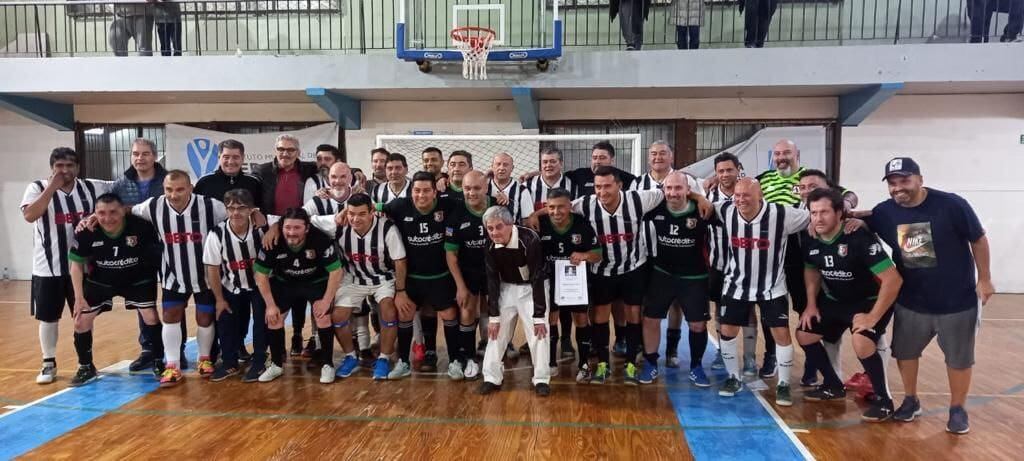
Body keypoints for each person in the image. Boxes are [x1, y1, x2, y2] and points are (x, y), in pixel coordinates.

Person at [861, 157, 992, 434]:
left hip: (957, 301)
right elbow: (863, 219)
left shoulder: (951, 205)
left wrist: (985, 278)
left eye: (905, 181)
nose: (899, 188)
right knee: (905, 354)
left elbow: (978, 238)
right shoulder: (884, 213)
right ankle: (911, 400)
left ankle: (957, 409)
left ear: (920, 179)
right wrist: (850, 219)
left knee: (959, 359)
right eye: (893, 183)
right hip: (912, 301)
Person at [798, 188, 902, 421]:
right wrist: (811, 304)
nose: (818, 218)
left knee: (861, 341)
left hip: (868, 302)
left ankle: (884, 401)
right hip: (835, 301)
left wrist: (873, 316)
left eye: (824, 212)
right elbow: (811, 269)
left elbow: (893, 280)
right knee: (805, 334)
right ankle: (834, 386)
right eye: (814, 213)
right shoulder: (811, 238)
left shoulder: (858, 238)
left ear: (839, 213)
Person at [714, 178, 809, 407]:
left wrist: (852, 218)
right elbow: (699, 200)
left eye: (746, 195)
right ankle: (733, 378)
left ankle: (784, 384)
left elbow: (816, 216)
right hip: (736, 285)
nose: (740, 199)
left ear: (760, 196)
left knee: (781, 334)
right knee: (726, 331)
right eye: (737, 195)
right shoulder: (725, 209)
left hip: (772, 287)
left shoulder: (782, 214)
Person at [570, 166, 664, 384]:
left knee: (633, 315)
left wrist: (701, 196)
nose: (602, 192)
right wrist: (534, 216)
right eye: (598, 187)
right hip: (602, 271)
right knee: (599, 317)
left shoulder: (639, 199)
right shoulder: (586, 204)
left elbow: (671, 190)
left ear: (619, 186)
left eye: (607, 186)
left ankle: (631, 364)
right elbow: (559, 207)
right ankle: (603, 365)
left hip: (633, 268)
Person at [21, 147, 107, 384]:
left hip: (82, 267)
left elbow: (120, 192)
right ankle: (48, 362)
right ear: (52, 168)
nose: (65, 171)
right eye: (59, 166)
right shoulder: (37, 188)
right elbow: (30, 216)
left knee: (83, 315)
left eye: (70, 166)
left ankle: (85, 363)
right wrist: (52, 188)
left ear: (77, 168)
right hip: (48, 267)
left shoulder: (92, 187)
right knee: (48, 317)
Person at [67, 194, 161, 386]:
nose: (107, 218)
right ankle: (86, 366)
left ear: (123, 211)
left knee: (150, 316)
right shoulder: (87, 230)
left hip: (137, 279)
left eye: (113, 212)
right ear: (94, 213)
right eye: (101, 213)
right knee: (81, 321)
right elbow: (76, 265)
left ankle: (159, 360)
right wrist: (78, 297)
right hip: (102, 280)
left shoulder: (140, 227)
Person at [376, 172, 464, 376]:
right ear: (411, 191)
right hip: (412, 278)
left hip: (440, 275)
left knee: (449, 314)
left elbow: (473, 201)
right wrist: (345, 212)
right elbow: (374, 207)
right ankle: (403, 363)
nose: (421, 195)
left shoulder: (448, 204)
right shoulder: (399, 206)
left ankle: (455, 361)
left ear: (435, 192)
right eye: (417, 190)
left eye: (426, 190)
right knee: (405, 314)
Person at [253, 208, 343, 383]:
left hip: (315, 281)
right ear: (281, 227)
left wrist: (326, 301)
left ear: (307, 228)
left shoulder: (320, 239)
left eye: (297, 228)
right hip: (285, 282)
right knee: (274, 318)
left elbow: (336, 271)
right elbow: (261, 275)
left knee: (323, 316)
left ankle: (328, 365)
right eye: (287, 227)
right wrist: (270, 306)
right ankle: (277, 365)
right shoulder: (273, 241)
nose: (291, 232)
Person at [639, 172, 712, 386]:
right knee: (651, 319)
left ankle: (696, 367)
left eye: (678, 188)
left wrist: (702, 198)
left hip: (695, 276)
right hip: (663, 273)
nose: (673, 193)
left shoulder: (703, 211)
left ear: (688, 190)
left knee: (698, 324)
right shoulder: (654, 209)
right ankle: (651, 363)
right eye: (669, 188)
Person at [254, 134, 317, 355]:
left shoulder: (309, 170)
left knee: (301, 283)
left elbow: (334, 170)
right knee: (280, 286)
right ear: (275, 150)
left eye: (290, 150)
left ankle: (299, 334)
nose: (285, 153)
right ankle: (271, 346)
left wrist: (357, 175)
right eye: (281, 149)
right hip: (273, 234)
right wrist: (274, 227)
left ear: (298, 153)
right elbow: (254, 203)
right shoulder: (261, 172)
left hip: (299, 232)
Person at [477, 206, 551, 396]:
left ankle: (541, 379)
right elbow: (492, 279)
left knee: (539, 332)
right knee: (496, 332)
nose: (494, 232)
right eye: (490, 228)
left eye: (499, 227)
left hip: (531, 288)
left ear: (510, 224)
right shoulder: (489, 244)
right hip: (506, 288)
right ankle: (491, 377)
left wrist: (539, 315)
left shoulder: (529, 239)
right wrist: (493, 316)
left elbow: (536, 276)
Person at [203, 189, 268, 382]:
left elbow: (287, 220)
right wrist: (219, 299)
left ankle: (259, 361)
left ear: (250, 210)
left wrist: (274, 228)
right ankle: (229, 362)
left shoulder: (263, 225)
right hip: (231, 285)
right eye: (231, 208)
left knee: (261, 323)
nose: (235, 213)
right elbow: (212, 269)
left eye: (241, 208)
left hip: (260, 286)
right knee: (226, 321)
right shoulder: (217, 233)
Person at [524, 148, 578, 360]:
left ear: (561, 163)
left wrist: (539, 212)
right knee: (543, 298)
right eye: (545, 162)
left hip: (567, 240)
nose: (548, 165)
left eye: (553, 161)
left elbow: (575, 208)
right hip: (540, 243)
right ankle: (539, 338)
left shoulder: (572, 184)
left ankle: (566, 340)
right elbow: (526, 216)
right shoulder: (528, 185)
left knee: (566, 299)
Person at [444, 171, 493, 380]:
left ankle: (494, 355)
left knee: (496, 312)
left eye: (476, 188)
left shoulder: (498, 208)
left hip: (494, 271)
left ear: (486, 188)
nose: (471, 193)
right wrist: (460, 287)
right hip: (468, 271)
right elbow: (451, 255)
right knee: (467, 310)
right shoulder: (456, 215)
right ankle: (469, 358)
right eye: (467, 188)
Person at [194, 139, 264, 205]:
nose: (230, 162)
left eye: (235, 157)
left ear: (242, 158)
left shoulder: (254, 182)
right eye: (226, 157)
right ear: (219, 157)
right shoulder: (204, 182)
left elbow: (260, 210)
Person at [489, 153, 534, 222]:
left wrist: (509, 205)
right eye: (498, 164)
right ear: (492, 167)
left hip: (513, 231)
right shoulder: (484, 187)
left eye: (505, 165)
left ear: (512, 168)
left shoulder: (522, 190)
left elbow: (527, 220)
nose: (501, 168)